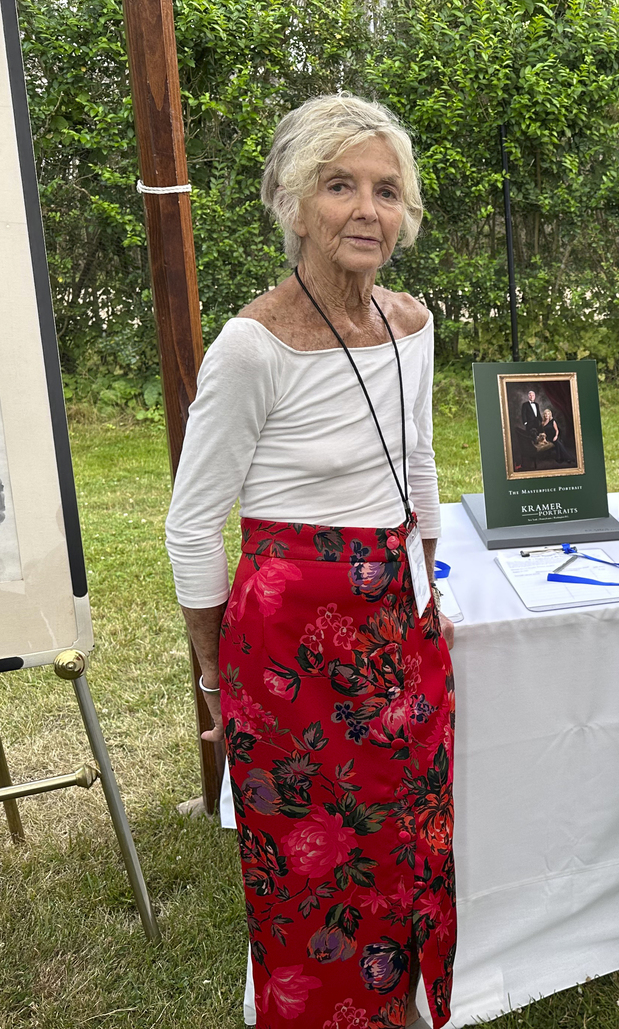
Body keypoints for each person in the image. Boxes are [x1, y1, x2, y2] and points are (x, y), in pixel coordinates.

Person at [165, 94, 459, 1029]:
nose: (367, 210)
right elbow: (191, 525)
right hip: (291, 654)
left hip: (397, 628)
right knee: (310, 858)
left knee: (406, 831)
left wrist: (429, 581)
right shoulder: (252, 346)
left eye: (385, 189)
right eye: (341, 186)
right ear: (297, 204)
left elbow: (417, 464)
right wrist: (216, 678)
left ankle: (398, 1001)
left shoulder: (412, 325)